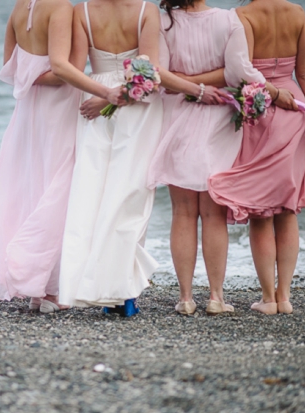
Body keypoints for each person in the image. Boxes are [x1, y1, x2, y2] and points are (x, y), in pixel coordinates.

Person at [57, 0, 226, 311]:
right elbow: (149, 71)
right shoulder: (146, 11)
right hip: (137, 106)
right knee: (130, 196)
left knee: (91, 193)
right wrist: (195, 90)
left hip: (94, 99)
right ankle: (122, 292)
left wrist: (100, 94)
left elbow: (77, 66)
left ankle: (85, 284)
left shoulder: (81, 11)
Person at [0, 0, 124, 312]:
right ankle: (46, 290)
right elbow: (62, 70)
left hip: (29, 110)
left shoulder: (21, 7)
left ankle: (38, 291)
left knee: (36, 186)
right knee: (60, 190)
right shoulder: (61, 8)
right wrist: (105, 93)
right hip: (60, 107)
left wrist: (30, 75)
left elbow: (10, 66)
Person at [208, 0, 305, 315]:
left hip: (263, 111)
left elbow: (244, 72)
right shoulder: (298, 13)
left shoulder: (243, 16)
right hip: (298, 110)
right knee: (287, 210)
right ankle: (285, 296)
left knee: (261, 212)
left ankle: (267, 297)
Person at [146, 0, 267, 316]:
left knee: (182, 212)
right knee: (214, 215)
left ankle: (185, 298)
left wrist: (189, 82)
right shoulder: (229, 20)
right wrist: (271, 89)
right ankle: (215, 297)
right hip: (218, 123)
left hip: (176, 120)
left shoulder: (163, 21)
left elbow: (158, 72)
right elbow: (240, 72)